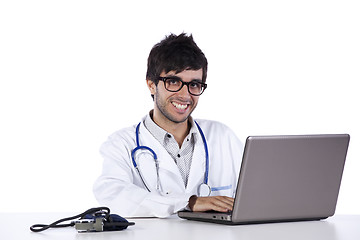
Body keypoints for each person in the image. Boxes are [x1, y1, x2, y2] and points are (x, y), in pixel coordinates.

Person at [93, 33, 243, 218]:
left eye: (194, 84)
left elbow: (259, 191)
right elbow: (112, 194)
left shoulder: (222, 136)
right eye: (173, 82)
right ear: (151, 85)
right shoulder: (121, 143)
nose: (185, 95)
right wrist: (188, 202)